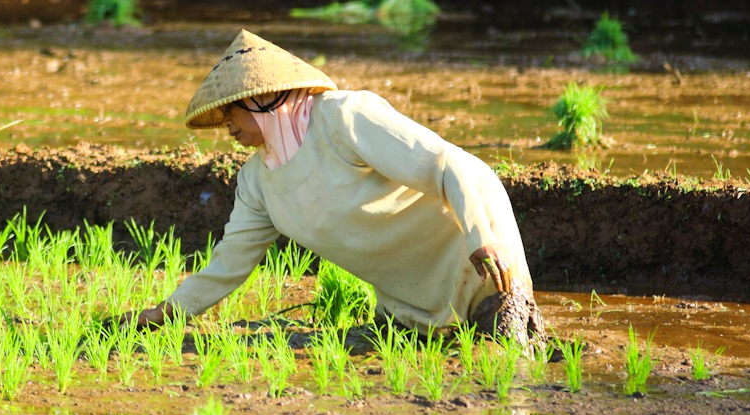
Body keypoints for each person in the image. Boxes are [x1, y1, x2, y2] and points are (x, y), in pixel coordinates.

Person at [128, 29, 546, 346]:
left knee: (503, 351)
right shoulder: (257, 182)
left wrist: (481, 236)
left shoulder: (344, 117)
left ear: (262, 98)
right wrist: (167, 312)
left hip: (469, 237)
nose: (226, 126)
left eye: (230, 111)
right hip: (407, 289)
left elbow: (447, 164)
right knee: (416, 355)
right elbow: (229, 263)